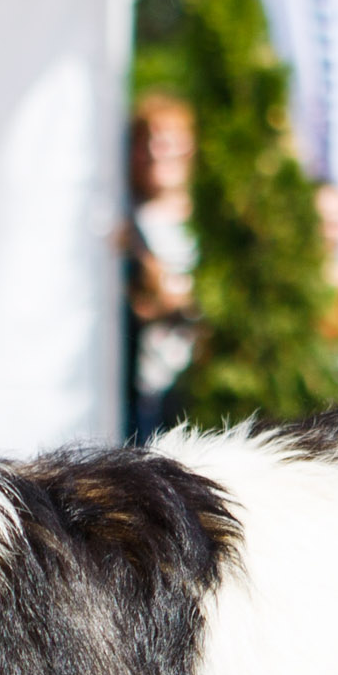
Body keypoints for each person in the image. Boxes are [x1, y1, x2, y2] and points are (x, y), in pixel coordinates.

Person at [127, 92, 201, 432]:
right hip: (144, 392)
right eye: (149, 141)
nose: (160, 150)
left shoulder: (210, 221)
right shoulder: (126, 221)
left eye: (170, 140)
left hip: (200, 386)